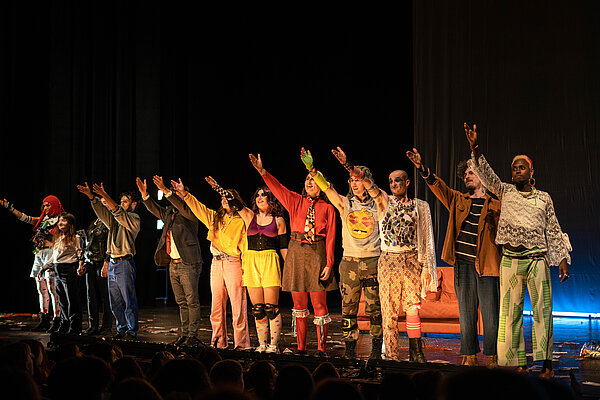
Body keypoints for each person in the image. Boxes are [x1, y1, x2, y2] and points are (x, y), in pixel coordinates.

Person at [465, 122, 571, 379]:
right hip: (511, 260)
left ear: (531, 171)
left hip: (536, 260)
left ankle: (547, 365)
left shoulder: (543, 198)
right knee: (510, 313)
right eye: (514, 167)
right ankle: (520, 363)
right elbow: (487, 174)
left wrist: (562, 258)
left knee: (543, 311)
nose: (517, 170)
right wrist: (475, 148)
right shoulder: (505, 191)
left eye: (521, 167)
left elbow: (553, 228)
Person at [406, 147, 501, 367]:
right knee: (466, 312)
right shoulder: (458, 199)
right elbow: (438, 187)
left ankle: (493, 356)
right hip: (463, 265)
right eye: (465, 173)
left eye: (471, 172)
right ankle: (469, 355)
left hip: (487, 266)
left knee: (490, 313)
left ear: (483, 177)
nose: (467, 176)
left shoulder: (496, 204)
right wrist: (421, 167)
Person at [249, 151, 337, 356]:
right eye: (307, 179)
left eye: (313, 179)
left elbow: (331, 237)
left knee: (319, 304)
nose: (309, 181)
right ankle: (301, 348)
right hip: (296, 251)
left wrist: (329, 263)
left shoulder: (328, 208)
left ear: (322, 184)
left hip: (317, 252)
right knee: (299, 304)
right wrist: (263, 172)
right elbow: (278, 188)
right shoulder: (295, 201)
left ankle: (321, 349)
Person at [301, 147, 383, 359]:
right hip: (349, 263)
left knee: (375, 309)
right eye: (351, 180)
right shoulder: (345, 203)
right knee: (348, 309)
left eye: (358, 180)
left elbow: (373, 189)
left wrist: (350, 166)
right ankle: (350, 349)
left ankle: (376, 349)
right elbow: (327, 189)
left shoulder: (379, 203)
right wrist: (312, 170)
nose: (354, 183)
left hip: (373, 261)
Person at [360, 167, 437, 362]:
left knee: (413, 308)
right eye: (391, 181)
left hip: (412, 259)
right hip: (389, 261)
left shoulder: (419, 206)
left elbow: (425, 238)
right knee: (389, 311)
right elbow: (371, 187)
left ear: (407, 182)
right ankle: (392, 355)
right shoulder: (384, 201)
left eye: (398, 180)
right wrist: (352, 170)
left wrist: (426, 267)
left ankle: (416, 352)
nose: (394, 184)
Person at [205, 177, 288, 354]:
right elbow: (235, 202)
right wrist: (219, 189)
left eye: (264, 195)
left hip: (270, 261)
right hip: (252, 262)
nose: (260, 198)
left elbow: (283, 247)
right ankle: (262, 344)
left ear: (271, 199)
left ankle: (273, 345)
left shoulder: (279, 220)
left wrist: (289, 268)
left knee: (271, 308)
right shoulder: (250, 216)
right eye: (257, 195)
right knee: (258, 310)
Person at [171, 177, 250, 350]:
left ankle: (242, 345)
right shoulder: (215, 218)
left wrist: (246, 271)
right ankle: (218, 343)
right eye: (222, 197)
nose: (224, 200)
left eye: (227, 197)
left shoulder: (242, 220)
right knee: (216, 307)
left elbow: (246, 247)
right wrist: (184, 194)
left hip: (233, 263)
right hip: (216, 263)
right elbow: (198, 207)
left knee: (238, 307)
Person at [137, 175, 204, 347]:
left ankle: (192, 335)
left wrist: (167, 191)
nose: (175, 196)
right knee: (181, 302)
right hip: (173, 263)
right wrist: (145, 195)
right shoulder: (170, 212)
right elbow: (155, 209)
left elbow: (183, 208)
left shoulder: (191, 211)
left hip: (188, 263)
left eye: (179, 193)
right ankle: (185, 333)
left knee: (191, 301)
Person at [77, 182, 141, 341]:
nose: (122, 204)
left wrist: (104, 195)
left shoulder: (133, 219)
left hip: (125, 262)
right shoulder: (114, 220)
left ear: (133, 204)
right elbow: (102, 213)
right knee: (115, 301)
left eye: (125, 201)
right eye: (121, 201)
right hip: (113, 262)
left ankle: (131, 331)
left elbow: (118, 212)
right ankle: (121, 328)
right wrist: (92, 197)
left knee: (128, 300)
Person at [1, 195, 63, 332]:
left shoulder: (61, 220)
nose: (45, 207)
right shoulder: (42, 219)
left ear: (54, 205)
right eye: (44, 205)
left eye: (48, 205)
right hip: (39, 254)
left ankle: (57, 320)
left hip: (51, 253)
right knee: (41, 288)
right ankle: (44, 319)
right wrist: (10, 208)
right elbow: (25, 218)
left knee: (53, 289)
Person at [38, 212, 83, 334]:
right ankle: (64, 324)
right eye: (59, 221)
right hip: (57, 270)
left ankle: (74, 327)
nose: (60, 223)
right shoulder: (58, 238)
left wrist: (81, 266)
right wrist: (43, 267)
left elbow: (80, 253)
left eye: (64, 220)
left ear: (70, 223)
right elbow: (54, 257)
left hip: (69, 269)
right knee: (61, 299)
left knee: (71, 300)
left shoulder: (76, 238)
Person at [77, 197, 112, 336]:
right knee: (91, 296)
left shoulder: (110, 222)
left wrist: (107, 262)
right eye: (100, 204)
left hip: (102, 261)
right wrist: (81, 260)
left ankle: (107, 326)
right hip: (90, 262)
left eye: (105, 203)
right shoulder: (94, 222)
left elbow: (110, 244)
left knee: (105, 296)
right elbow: (87, 243)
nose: (102, 206)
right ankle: (93, 326)